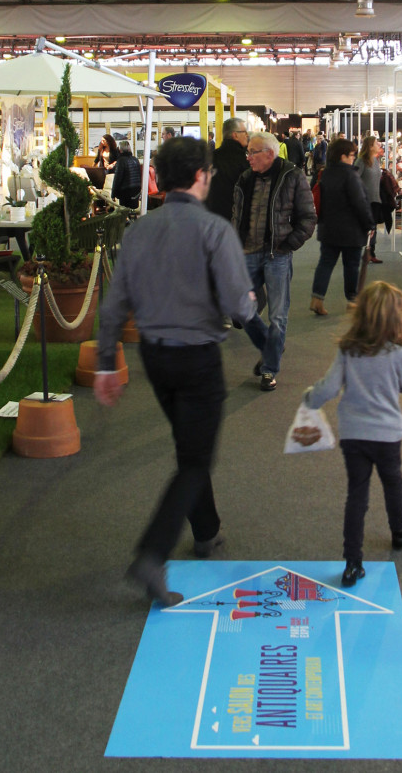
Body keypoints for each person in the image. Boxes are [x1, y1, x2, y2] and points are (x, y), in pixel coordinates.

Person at [95, 137, 256, 607]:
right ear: (202, 175)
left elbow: (113, 306)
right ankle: (152, 553)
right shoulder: (215, 230)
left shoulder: (140, 231)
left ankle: (206, 530)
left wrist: (107, 363)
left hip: (155, 357)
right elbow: (236, 305)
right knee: (194, 461)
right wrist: (250, 303)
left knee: (191, 445)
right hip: (199, 357)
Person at [304, 281, 402, 587]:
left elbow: (328, 388)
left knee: (357, 495)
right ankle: (399, 530)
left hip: (354, 436)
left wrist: (310, 398)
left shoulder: (348, 350)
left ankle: (353, 562)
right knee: (393, 484)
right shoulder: (399, 353)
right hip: (387, 436)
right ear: (395, 318)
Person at [232, 131, 316, 391]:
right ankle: (272, 345)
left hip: (277, 256)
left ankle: (269, 369)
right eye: (248, 152)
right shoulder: (245, 179)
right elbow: (236, 217)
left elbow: (308, 218)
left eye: (252, 153)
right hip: (247, 254)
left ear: (269, 153)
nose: (248, 158)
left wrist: (288, 245)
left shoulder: (292, 176)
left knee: (279, 315)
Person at [309, 138, 375, 315]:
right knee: (351, 266)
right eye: (352, 155)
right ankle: (352, 300)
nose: (353, 158)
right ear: (343, 156)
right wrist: (369, 224)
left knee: (325, 264)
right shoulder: (350, 175)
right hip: (350, 231)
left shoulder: (325, 173)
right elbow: (360, 203)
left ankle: (317, 298)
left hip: (328, 229)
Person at [205, 116, 249, 221]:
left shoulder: (210, 157)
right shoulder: (245, 160)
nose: (247, 135)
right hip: (236, 217)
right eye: (244, 132)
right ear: (235, 135)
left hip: (212, 216)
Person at [355, 135, 384, 263]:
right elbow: (355, 178)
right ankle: (361, 251)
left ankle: (370, 252)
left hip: (375, 198)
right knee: (364, 226)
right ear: (370, 146)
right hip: (364, 199)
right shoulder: (361, 161)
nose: (378, 145)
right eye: (376, 143)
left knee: (373, 227)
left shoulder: (375, 161)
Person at [110, 139, 142, 209]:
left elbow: (117, 179)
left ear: (120, 150)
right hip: (136, 190)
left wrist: (113, 194)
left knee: (124, 212)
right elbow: (140, 175)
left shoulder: (121, 161)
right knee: (133, 212)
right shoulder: (135, 159)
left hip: (125, 192)